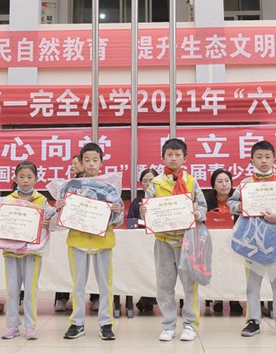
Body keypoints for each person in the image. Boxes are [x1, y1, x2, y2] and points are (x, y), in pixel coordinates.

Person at [227, 140, 276, 339]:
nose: (264, 161)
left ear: (274, 160)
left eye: (268, 157)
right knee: (252, 284)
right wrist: (244, 205)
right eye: (259, 157)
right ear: (251, 161)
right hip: (251, 242)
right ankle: (253, 321)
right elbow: (231, 203)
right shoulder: (245, 184)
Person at [54, 142, 124, 341]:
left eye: (95, 160)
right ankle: (77, 323)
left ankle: (106, 323)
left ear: (101, 162)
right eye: (87, 160)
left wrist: (117, 212)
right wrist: (59, 207)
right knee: (78, 285)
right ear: (81, 162)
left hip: (103, 241)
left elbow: (117, 219)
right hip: (77, 240)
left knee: (105, 285)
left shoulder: (109, 187)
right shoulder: (70, 186)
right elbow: (60, 218)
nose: (91, 164)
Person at [141, 138, 207, 341]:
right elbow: (149, 210)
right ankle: (168, 325)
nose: (173, 158)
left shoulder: (191, 182)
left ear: (185, 158)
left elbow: (203, 207)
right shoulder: (155, 184)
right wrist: (146, 212)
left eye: (178, 155)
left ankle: (190, 325)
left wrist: (196, 213)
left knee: (190, 285)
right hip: (163, 241)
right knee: (164, 285)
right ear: (162, 157)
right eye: (169, 154)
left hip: (187, 242)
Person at [0, 161, 56, 341]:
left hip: (33, 252)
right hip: (10, 251)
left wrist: (49, 222)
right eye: (21, 177)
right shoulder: (7, 200)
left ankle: (30, 326)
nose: (25, 180)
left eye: (29, 177)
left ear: (36, 179)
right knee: (12, 290)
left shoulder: (42, 200)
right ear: (15, 179)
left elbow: (54, 219)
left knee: (30, 290)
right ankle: (12, 325)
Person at [204, 168, 243, 315]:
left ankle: (235, 299)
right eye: (220, 181)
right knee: (217, 266)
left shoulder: (238, 201)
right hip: (213, 243)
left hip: (235, 241)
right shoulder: (207, 201)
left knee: (234, 268)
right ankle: (218, 298)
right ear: (214, 185)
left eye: (227, 181)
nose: (224, 184)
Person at [55, 155, 85, 313]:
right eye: (71, 164)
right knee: (65, 268)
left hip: (93, 233)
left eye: (75, 163)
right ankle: (62, 297)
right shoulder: (68, 186)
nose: (72, 167)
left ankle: (95, 299)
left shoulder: (100, 184)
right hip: (70, 232)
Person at [128, 167, 159, 313]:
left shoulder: (165, 199)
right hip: (141, 245)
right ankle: (147, 299)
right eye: (144, 181)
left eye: (151, 181)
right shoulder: (137, 202)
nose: (148, 184)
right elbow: (130, 223)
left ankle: (149, 299)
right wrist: (142, 217)